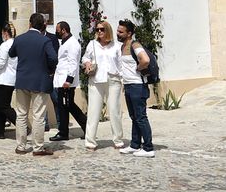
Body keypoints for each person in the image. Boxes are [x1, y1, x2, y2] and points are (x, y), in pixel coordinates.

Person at [8, 12, 59, 156]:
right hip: (40, 81)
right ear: (43, 26)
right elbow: (54, 58)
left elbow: (11, 53)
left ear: (29, 24)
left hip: (22, 80)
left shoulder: (20, 39)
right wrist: (49, 70)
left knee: (21, 115)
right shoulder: (44, 41)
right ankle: (38, 147)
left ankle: (21, 146)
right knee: (38, 116)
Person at [82, 18, 125, 151]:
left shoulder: (117, 46)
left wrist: (123, 81)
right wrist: (87, 63)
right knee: (93, 111)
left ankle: (118, 140)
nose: (99, 31)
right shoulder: (92, 44)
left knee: (115, 111)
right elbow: (85, 57)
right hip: (96, 80)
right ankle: (90, 141)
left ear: (108, 30)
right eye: (97, 29)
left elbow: (121, 64)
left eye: (102, 29)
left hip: (113, 80)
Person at [116, 18, 155, 157]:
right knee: (134, 117)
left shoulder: (135, 45)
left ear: (129, 33)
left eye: (121, 32)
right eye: (118, 30)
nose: (118, 33)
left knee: (141, 117)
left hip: (138, 85)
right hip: (128, 85)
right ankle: (135, 145)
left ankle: (148, 148)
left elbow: (145, 60)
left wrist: (138, 69)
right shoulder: (122, 47)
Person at [50, 21, 86, 141]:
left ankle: (64, 132)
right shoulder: (65, 43)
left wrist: (68, 80)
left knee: (66, 106)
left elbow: (73, 62)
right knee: (67, 106)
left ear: (64, 30)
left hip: (66, 82)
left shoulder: (72, 44)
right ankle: (84, 129)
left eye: (58, 30)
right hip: (62, 80)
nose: (57, 32)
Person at [0, 22, 19, 138]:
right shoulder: (16, 44)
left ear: (5, 33)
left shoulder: (5, 45)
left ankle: (23, 126)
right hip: (11, 78)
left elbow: (0, 63)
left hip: (3, 79)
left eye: (2, 33)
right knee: (0, 105)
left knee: (3, 106)